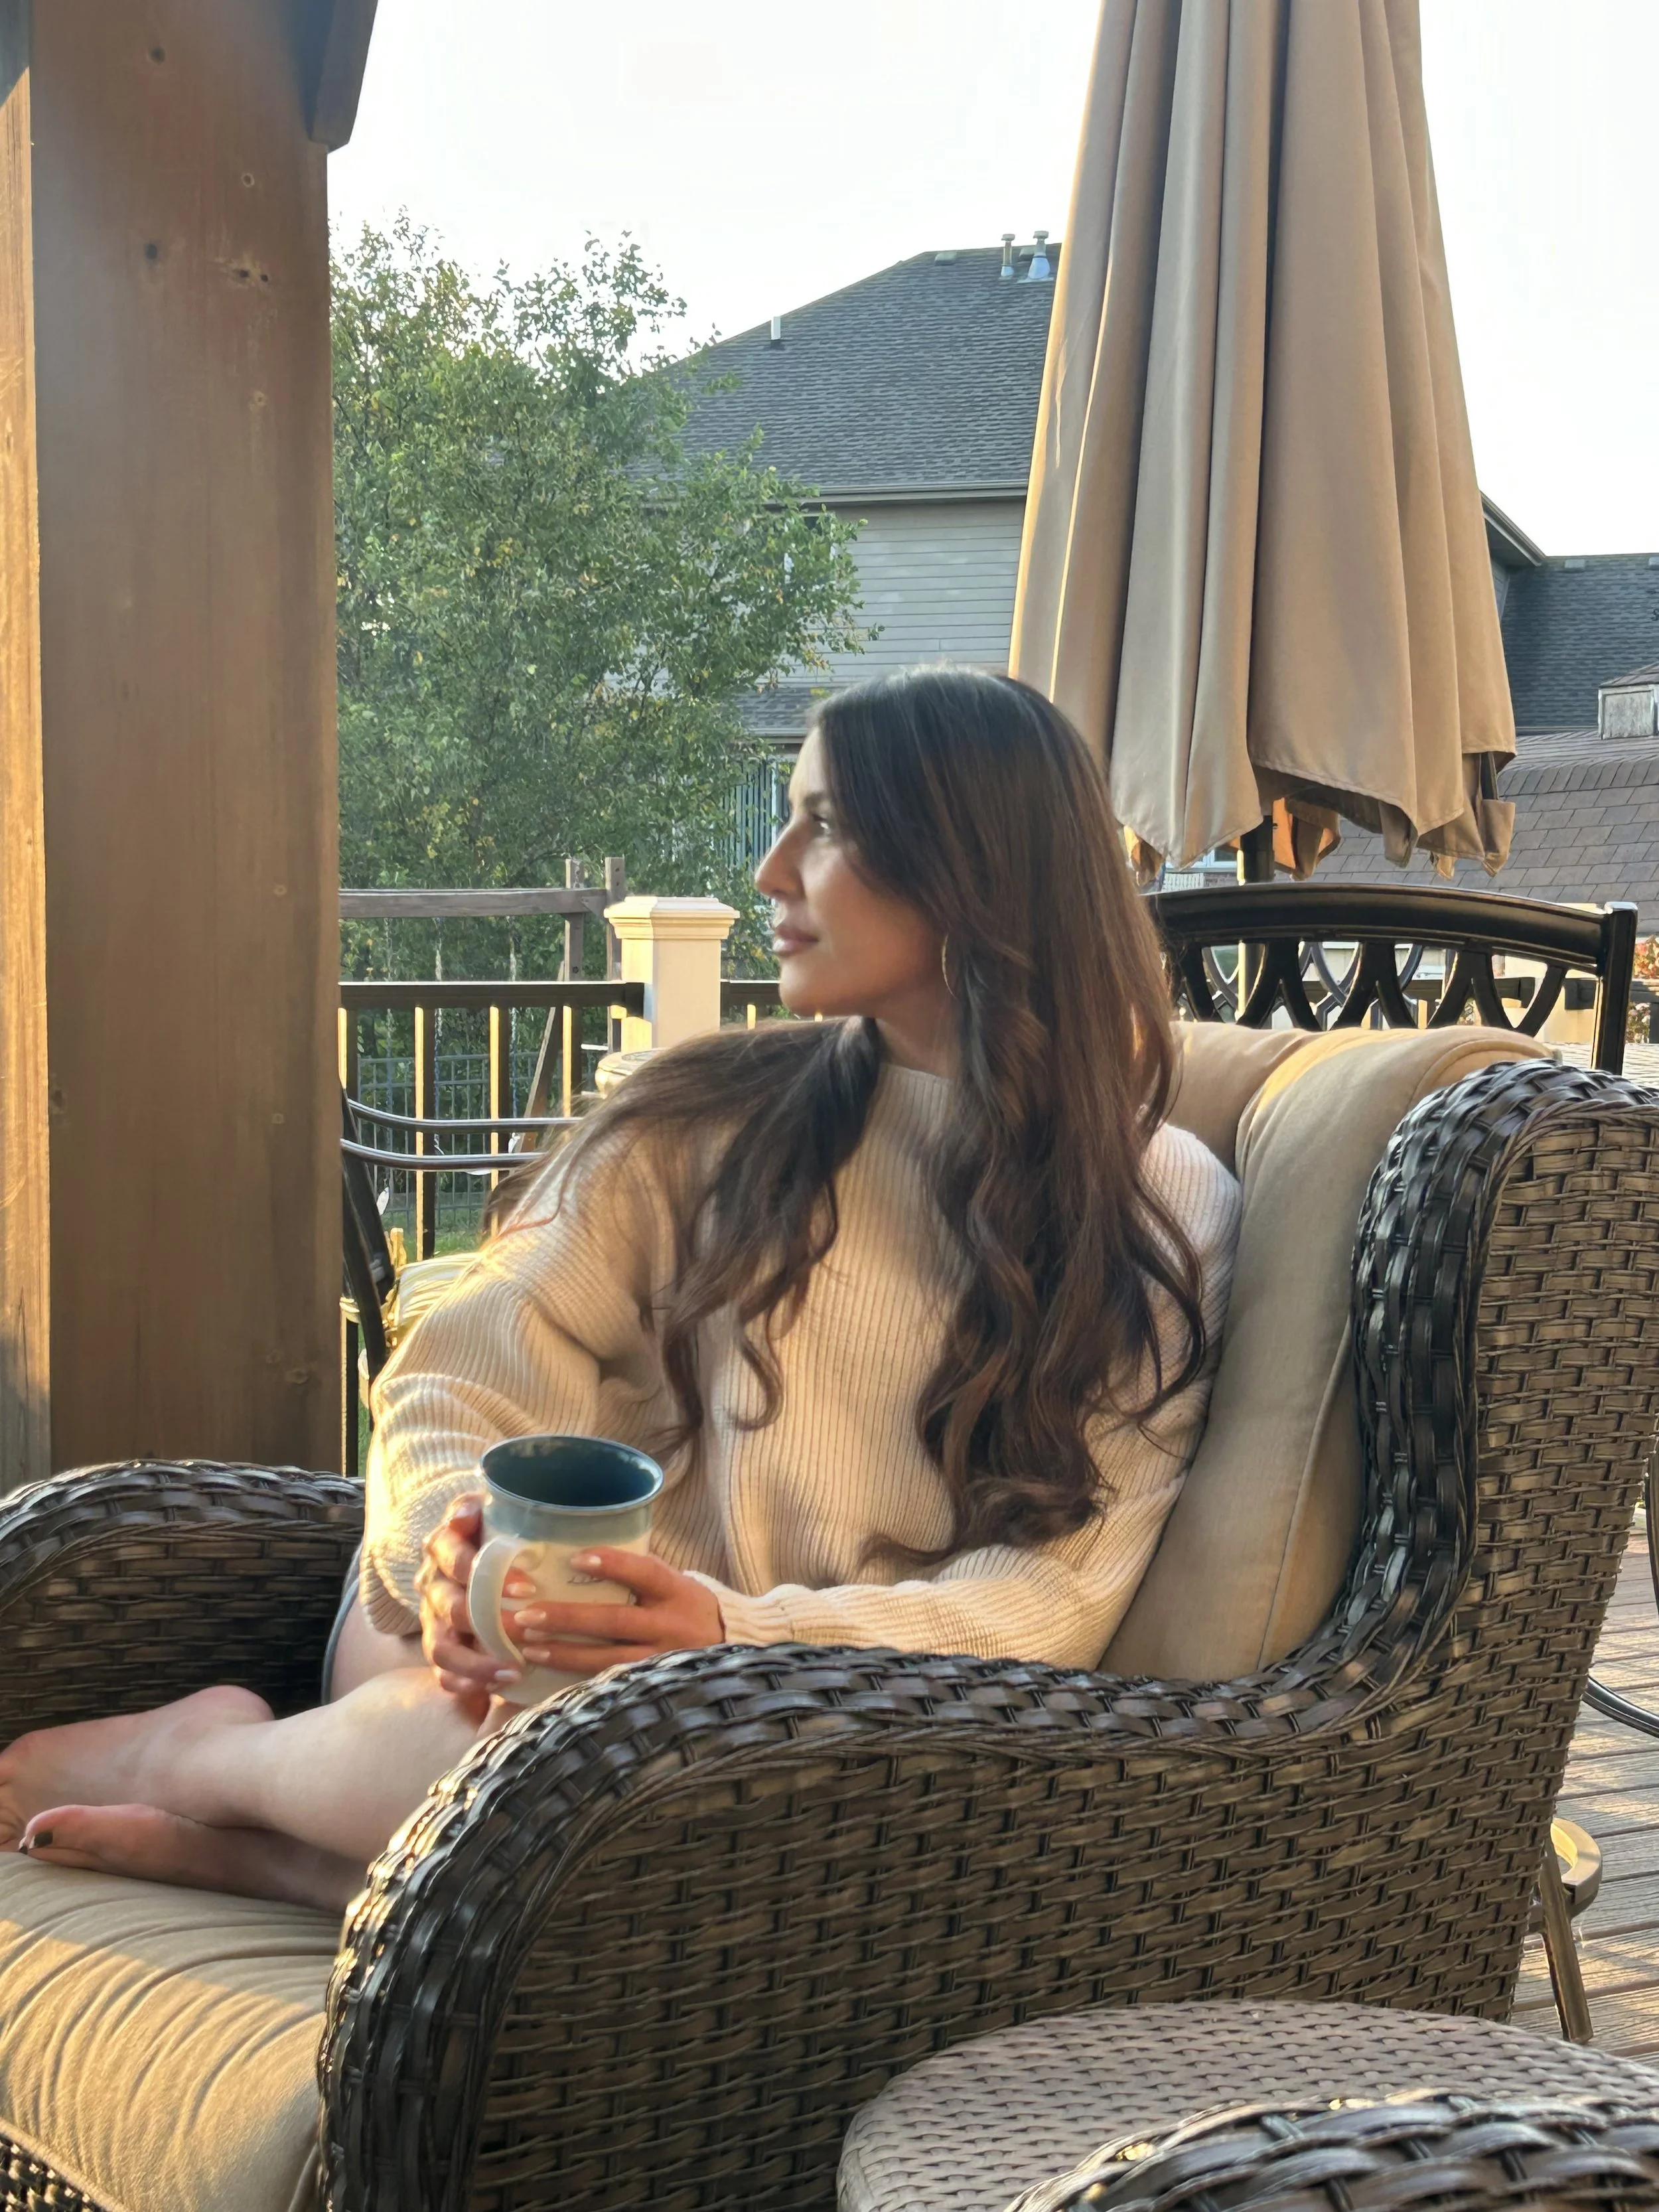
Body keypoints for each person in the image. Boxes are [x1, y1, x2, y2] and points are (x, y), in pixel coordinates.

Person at [0, 668, 1240, 1909]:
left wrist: (727, 1637)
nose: (772, 869)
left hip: (772, 1719)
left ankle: (251, 1827)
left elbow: (1062, 1594)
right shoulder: (702, 1120)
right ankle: (211, 1758)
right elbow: (455, 1375)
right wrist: (449, 1547)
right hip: (471, 1662)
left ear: (974, 867)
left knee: (608, 1804)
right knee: (523, 1755)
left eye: (828, 824)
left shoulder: (1162, 1209)